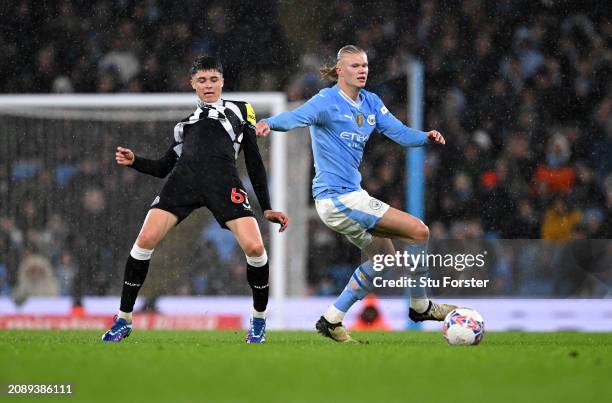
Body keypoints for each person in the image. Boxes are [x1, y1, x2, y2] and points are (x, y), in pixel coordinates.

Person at [256, 45, 456, 342]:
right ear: (340, 70)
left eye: (364, 65)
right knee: (419, 232)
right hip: (337, 199)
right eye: (354, 66)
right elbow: (295, 117)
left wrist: (424, 137)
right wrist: (269, 123)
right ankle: (420, 305)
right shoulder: (326, 101)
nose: (362, 70)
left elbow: (398, 131)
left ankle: (331, 319)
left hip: (351, 196)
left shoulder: (371, 102)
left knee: (383, 261)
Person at [102, 55, 288, 344]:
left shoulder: (241, 110)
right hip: (183, 183)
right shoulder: (184, 125)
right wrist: (135, 161)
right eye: (202, 80)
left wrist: (267, 207)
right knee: (144, 240)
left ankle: (259, 321)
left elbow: (252, 158)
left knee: (254, 246)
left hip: (223, 183)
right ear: (193, 84)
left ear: (222, 81)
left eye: (214, 79)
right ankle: (123, 319)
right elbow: (164, 166)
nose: (209, 84)